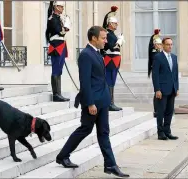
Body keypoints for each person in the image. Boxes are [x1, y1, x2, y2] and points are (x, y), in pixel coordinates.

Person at [56, 26, 130, 178]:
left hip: (102, 101)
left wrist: (106, 100)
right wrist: (90, 103)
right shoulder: (85, 55)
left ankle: (110, 165)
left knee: (103, 133)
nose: (106, 41)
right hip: (92, 103)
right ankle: (62, 156)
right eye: (103, 38)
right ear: (94, 38)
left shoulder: (97, 53)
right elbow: (85, 82)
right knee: (85, 129)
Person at [152, 37, 179, 141]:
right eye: (168, 44)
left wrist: (177, 88)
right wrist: (157, 89)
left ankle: (168, 131)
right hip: (162, 90)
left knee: (169, 111)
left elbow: (175, 74)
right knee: (161, 111)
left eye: (171, 44)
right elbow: (155, 75)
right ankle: (160, 133)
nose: (170, 46)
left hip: (172, 89)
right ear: (163, 45)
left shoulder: (174, 57)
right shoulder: (158, 57)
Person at [101, 6, 125, 111]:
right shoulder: (108, 34)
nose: (117, 25)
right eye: (115, 23)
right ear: (110, 24)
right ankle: (109, 103)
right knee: (109, 81)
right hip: (110, 59)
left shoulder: (112, 34)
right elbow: (112, 47)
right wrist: (119, 41)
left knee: (112, 82)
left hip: (114, 59)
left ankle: (111, 102)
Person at [45, 1, 70, 102]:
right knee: (56, 70)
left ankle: (59, 93)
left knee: (59, 70)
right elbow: (59, 30)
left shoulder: (59, 18)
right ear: (55, 7)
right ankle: (56, 94)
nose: (62, 8)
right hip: (56, 45)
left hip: (61, 44)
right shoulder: (52, 18)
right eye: (60, 6)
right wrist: (66, 27)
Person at [148, 38, 163, 117]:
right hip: (157, 74)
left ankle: (161, 109)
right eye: (159, 44)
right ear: (155, 45)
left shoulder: (160, 52)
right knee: (157, 92)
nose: (160, 46)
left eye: (161, 44)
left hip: (162, 74)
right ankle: (156, 110)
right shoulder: (154, 53)